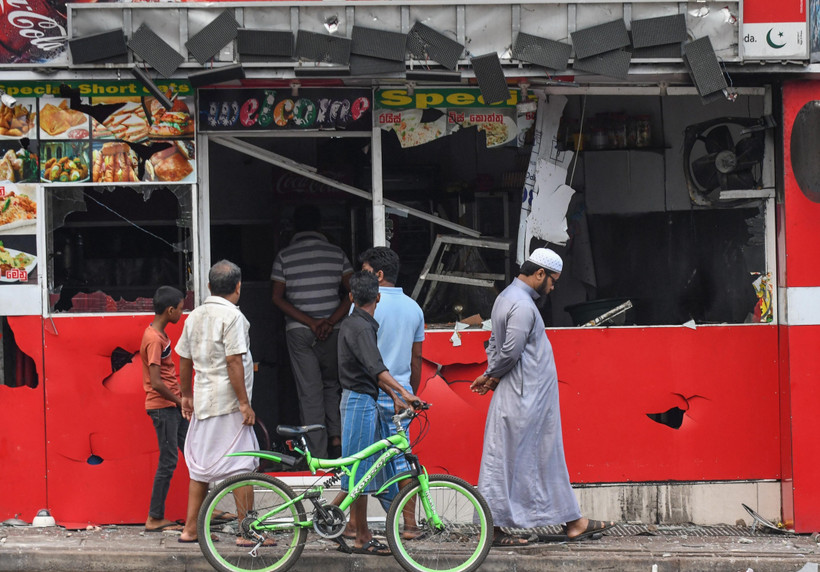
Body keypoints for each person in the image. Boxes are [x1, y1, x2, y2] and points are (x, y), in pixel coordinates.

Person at [471, 248, 614, 546]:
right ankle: (505, 528)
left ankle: (572, 521)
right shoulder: (522, 305)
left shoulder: (505, 298)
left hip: (522, 393)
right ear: (539, 274)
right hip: (527, 396)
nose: (553, 287)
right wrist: (491, 374)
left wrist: (492, 374)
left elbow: (496, 345)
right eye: (552, 280)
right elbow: (510, 351)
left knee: (520, 459)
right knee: (528, 458)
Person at [176, 260, 266, 546]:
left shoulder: (195, 316)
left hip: (203, 400)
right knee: (243, 466)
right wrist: (244, 403)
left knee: (200, 467)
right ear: (238, 287)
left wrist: (186, 395)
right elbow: (233, 361)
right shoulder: (233, 318)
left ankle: (191, 529)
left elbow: (185, 358)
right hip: (228, 404)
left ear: (209, 286)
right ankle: (246, 532)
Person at [333, 271, 422, 556]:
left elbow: (372, 372)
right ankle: (360, 535)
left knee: (364, 469)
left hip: (364, 398)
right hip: (359, 401)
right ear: (378, 297)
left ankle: (346, 523)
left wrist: (395, 396)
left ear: (351, 297)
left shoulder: (356, 322)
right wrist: (406, 393)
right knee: (358, 470)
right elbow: (376, 369)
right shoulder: (361, 327)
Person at [272, 205, 353, 458]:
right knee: (332, 386)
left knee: (310, 392)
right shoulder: (337, 253)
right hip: (334, 330)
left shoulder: (284, 256)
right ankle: (338, 443)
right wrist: (328, 321)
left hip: (300, 332)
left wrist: (310, 322)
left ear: (295, 227)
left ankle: (317, 455)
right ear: (320, 227)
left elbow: (277, 298)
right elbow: (353, 293)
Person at [140, 285, 187, 533]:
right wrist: (181, 402)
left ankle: (207, 508)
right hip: (164, 408)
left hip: (172, 406)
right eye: (180, 308)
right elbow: (156, 382)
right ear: (170, 310)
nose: (182, 312)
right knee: (168, 461)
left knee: (195, 454)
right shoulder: (154, 339)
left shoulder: (158, 336)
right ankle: (155, 517)